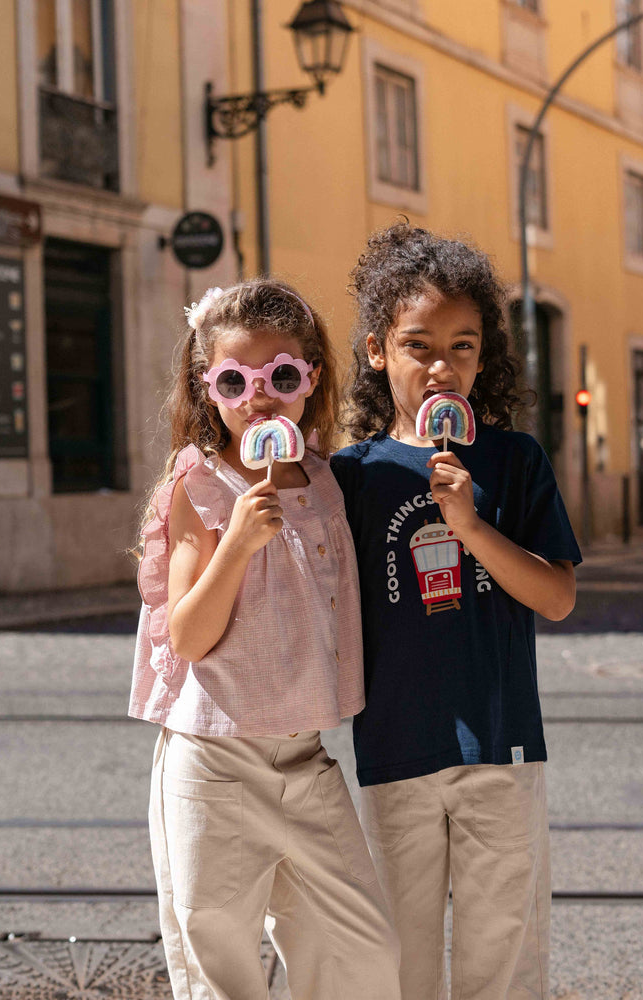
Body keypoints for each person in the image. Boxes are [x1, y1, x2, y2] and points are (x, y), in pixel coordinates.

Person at [129, 280, 401, 1000]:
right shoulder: (201, 485)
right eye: (234, 380)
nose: (260, 397)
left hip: (305, 759)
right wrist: (238, 544)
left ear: (310, 380)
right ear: (207, 388)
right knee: (221, 972)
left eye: (281, 376)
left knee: (361, 955)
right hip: (213, 767)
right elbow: (187, 634)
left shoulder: (325, 482)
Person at [331, 222, 582, 1000]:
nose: (442, 367)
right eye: (419, 346)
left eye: (463, 347)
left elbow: (558, 596)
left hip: (499, 748)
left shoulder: (514, 460)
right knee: (398, 963)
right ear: (378, 351)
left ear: (486, 356)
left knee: (501, 961)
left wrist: (471, 524)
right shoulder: (353, 475)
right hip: (395, 749)